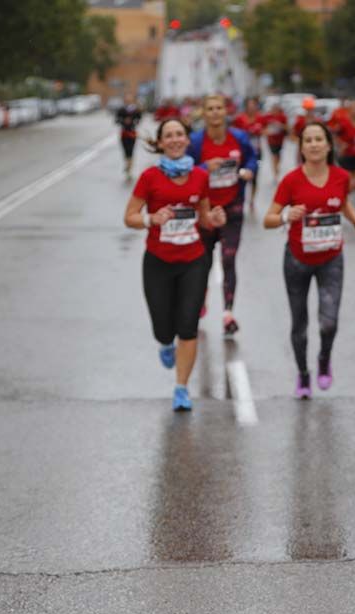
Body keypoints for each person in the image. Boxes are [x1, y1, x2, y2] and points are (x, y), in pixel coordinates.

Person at [124, 118, 227, 412]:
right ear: (160, 143)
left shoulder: (199, 176)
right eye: (168, 135)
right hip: (158, 262)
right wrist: (150, 219)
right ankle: (164, 342)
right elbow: (129, 216)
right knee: (163, 328)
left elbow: (205, 217)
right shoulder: (150, 178)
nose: (175, 139)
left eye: (179, 134)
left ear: (187, 140)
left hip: (193, 260)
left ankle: (181, 388)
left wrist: (214, 220)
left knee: (189, 326)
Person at [263, 122, 355, 398]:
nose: (313, 144)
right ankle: (302, 374)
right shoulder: (291, 180)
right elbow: (268, 219)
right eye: (307, 140)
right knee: (299, 324)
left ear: (327, 145)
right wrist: (287, 215)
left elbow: (342, 202)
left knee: (329, 322)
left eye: (318, 139)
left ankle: (324, 358)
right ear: (301, 147)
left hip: (331, 259)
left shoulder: (340, 176)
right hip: (297, 259)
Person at [187, 93, 258, 337]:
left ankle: (228, 313)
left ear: (225, 112)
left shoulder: (238, 137)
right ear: (204, 113)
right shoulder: (196, 141)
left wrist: (249, 170)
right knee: (203, 262)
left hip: (232, 207)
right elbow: (186, 170)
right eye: (211, 108)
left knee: (228, 259)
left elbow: (252, 159)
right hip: (205, 211)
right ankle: (202, 298)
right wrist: (206, 167)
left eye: (219, 108)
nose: (215, 112)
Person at [232, 97, 265, 208]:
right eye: (249, 105)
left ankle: (252, 200)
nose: (251, 108)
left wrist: (259, 132)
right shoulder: (239, 119)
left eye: (253, 105)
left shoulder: (260, 118)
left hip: (257, 152)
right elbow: (233, 133)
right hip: (243, 152)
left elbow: (265, 130)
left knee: (255, 176)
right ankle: (243, 198)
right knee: (243, 176)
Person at [115, 95, 141, 179]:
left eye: (130, 99)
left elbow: (139, 120)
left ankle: (129, 168)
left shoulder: (136, 110)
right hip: (124, 133)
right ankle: (127, 164)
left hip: (132, 133)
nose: (128, 101)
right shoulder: (121, 110)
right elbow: (116, 120)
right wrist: (123, 121)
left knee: (131, 150)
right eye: (127, 99)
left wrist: (133, 121)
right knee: (125, 151)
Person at [262, 103, 288, 180]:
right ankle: (275, 172)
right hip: (271, 140)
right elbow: (263, 129)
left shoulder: (282, 117)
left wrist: (280, 125)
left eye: (276, 110)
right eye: (273, 110)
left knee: (278, 156)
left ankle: (277, 167)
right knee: (274, 156)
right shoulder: (267, 117)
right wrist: (267, 132)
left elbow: (287, 128)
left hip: (280, 140)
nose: (274, 111)